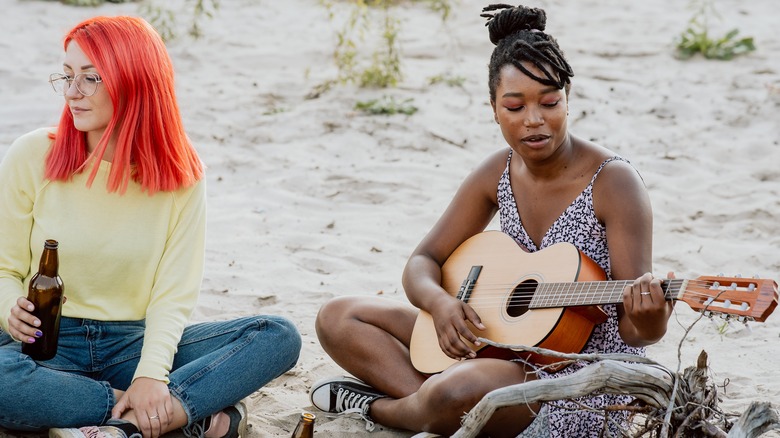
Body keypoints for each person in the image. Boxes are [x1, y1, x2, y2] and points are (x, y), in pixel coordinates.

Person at [309, 4, 673, 437]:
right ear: (494, 108)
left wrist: (651, 321)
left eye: (550, 102)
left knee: (454, 391)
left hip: (570, 379)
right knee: (338, 317)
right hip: (494, 341)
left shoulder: (614, 182)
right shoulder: (497, 172)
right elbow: (422, 260)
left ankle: (384, 408)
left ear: (568, 97)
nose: (534, 120)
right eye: (515, 106)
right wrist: (442, 305)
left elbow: (633, 333)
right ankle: (428, 402)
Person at [0, 16, 301, 438]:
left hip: (133, 345)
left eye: (90, 78)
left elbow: (173, 294)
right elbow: (4, 268)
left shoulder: (181, 175)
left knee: (277, 336)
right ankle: (166, 414)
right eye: (67, 76)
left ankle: (114, 412)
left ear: (133, 81)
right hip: (47, 346)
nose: (72, 92)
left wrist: (151, 375)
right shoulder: (33, 154)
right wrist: (9, 308)